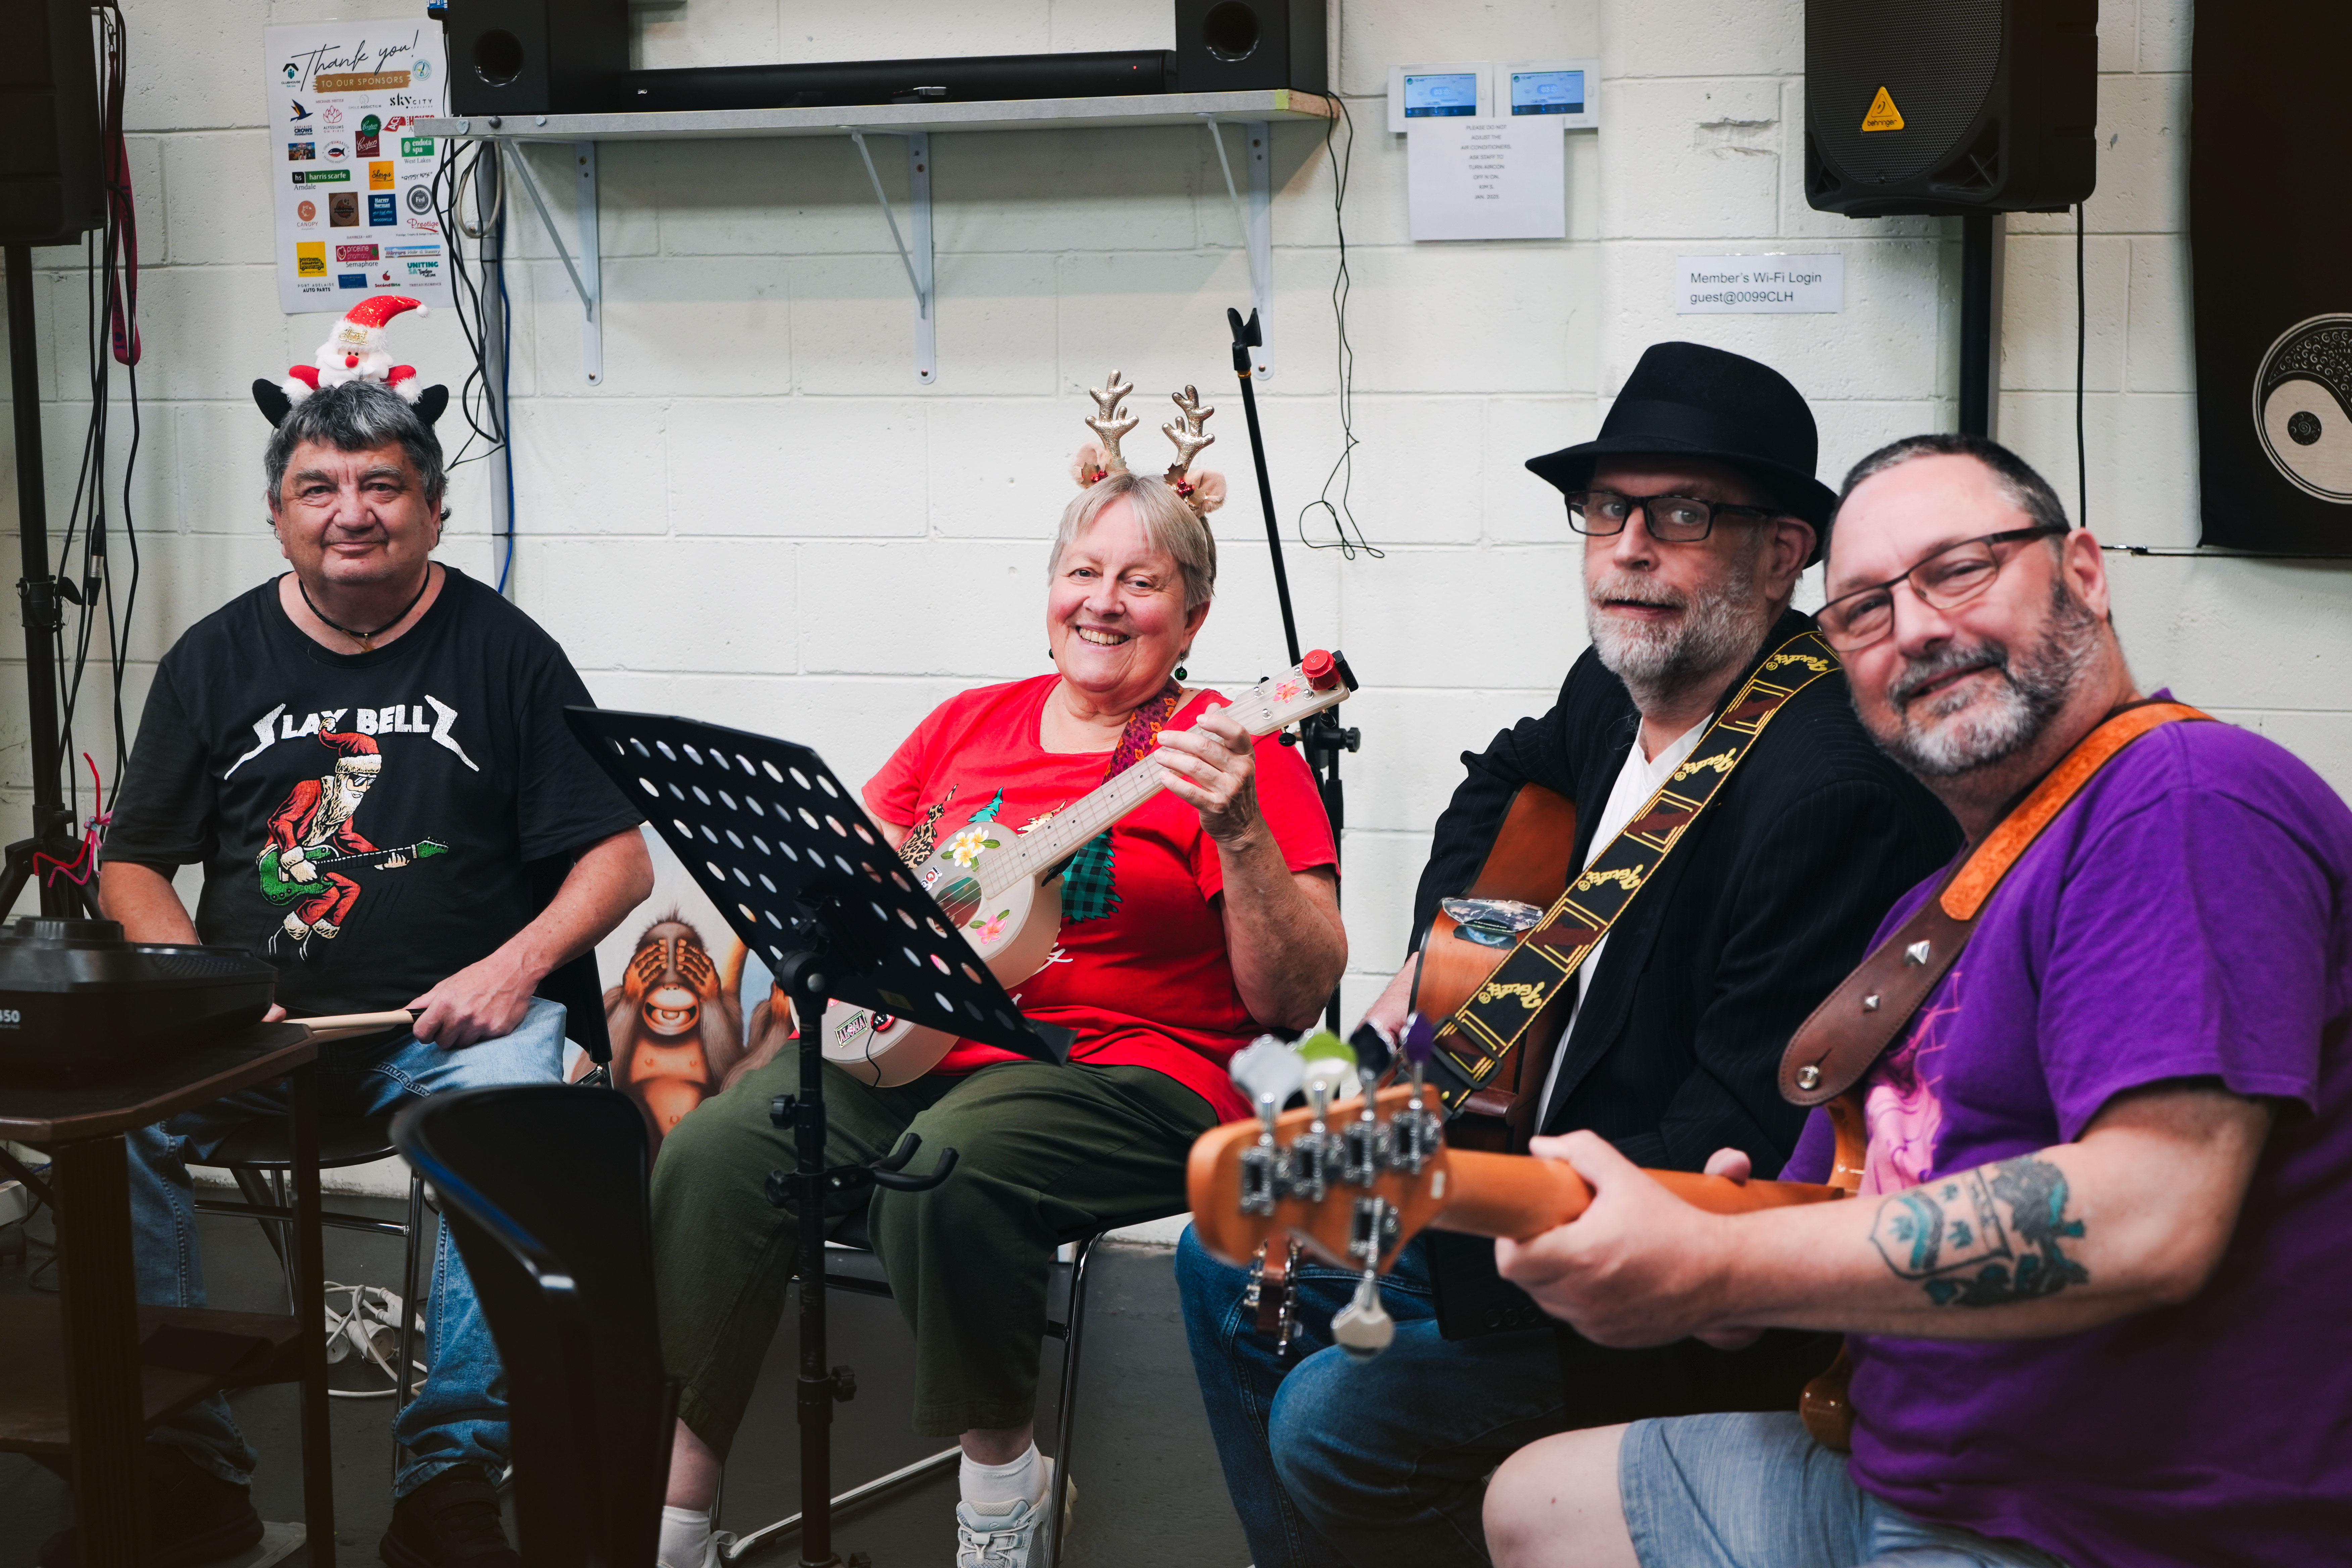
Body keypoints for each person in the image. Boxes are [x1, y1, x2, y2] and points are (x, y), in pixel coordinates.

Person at [1481, 432, 2352, 1568]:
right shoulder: (1930, 913)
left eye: (1961, 569)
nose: (1921, 630)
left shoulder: (2183, 799)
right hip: (1901, 1468)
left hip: (2109, 1521)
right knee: (1539, 1502)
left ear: (2084, 572)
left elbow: (2152, 1216)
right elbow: (1814, 1225)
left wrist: (1724, 1266)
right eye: (1864, 612)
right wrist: (1692, 1260)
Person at [1175, 343, 1961, 1568]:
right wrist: (1448, 964)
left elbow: (1723, 1141)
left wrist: (1432, 1192)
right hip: (1503, 1159)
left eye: (1683, 513)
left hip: (1647, 1271)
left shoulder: (1830, 795)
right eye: (1606, 510)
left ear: (1784, 551)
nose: (1629, 548)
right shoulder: (1620, 686)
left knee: (1339, 1419)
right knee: (1220, 1256)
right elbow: (1506, 780)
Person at [649, 374, 1348, 1568]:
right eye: (1085, 572)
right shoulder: (968, 727)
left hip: (1138, 1067)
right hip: (929, 1043)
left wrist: (1237, 832)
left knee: (951, 1167)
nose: (1106, 603)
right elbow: (849, 875)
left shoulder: (1232, 749)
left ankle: (1002, 1500)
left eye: (1144, 582)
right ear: (1049, 593)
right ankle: (677, 1514)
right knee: (719, 1149)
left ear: (1196, 614)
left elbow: (1295, 995)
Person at [80, 298, 654, 1568]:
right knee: (102, 1138)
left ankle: (448, 1481)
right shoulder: (213, 658)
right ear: (277, 512)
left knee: (517, 1113)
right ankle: (186, 1471)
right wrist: (201, 980)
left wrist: (515, 972)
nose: (353, 512)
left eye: (384, 486)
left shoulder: (507, 653)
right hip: (243, 1031)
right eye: (319, 486)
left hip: (442, 1031)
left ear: (434, 509)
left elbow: (618, 860)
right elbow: (134, 864)